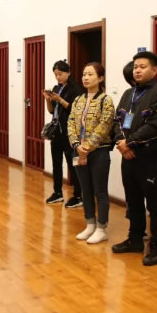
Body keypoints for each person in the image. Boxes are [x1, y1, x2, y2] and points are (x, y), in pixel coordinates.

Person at [112, 51, 157, 266]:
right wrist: (121, 142)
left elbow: (156, 125)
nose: (137, 70)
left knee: (155, 204)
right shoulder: (128, 93)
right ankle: (135, 239)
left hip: (149, 157)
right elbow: (117, 120)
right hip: (128, 157)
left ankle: (156, 245)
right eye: (136, 66)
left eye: (142, 67)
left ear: (154, 70)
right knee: (133, 200)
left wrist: (130, 143)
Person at [67, 62, 115, 243]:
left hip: (98, 152)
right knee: (85, 190)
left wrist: (86, 148)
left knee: (100, 191)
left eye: (90, 74)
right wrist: (76, 145)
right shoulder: (78, 100)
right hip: (78, 150)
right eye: (84, 74)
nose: (85, 78)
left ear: (100, 78)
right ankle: (90, 224)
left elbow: (105, 125)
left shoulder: (106, 100)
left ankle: (102, 228)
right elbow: (71, 123)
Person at [43, 60, 83, 207]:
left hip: (70, 133)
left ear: (68, 73)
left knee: (73, 165)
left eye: (60, 74)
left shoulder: (75, 89)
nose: (58, 77)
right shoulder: (56, 88)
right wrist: (48, 100)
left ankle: (78, 195)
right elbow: (51, 111)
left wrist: (60, 99)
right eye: (55, 74)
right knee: (56, 163)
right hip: (57, 132)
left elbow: (75, 110)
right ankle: (57, 192)